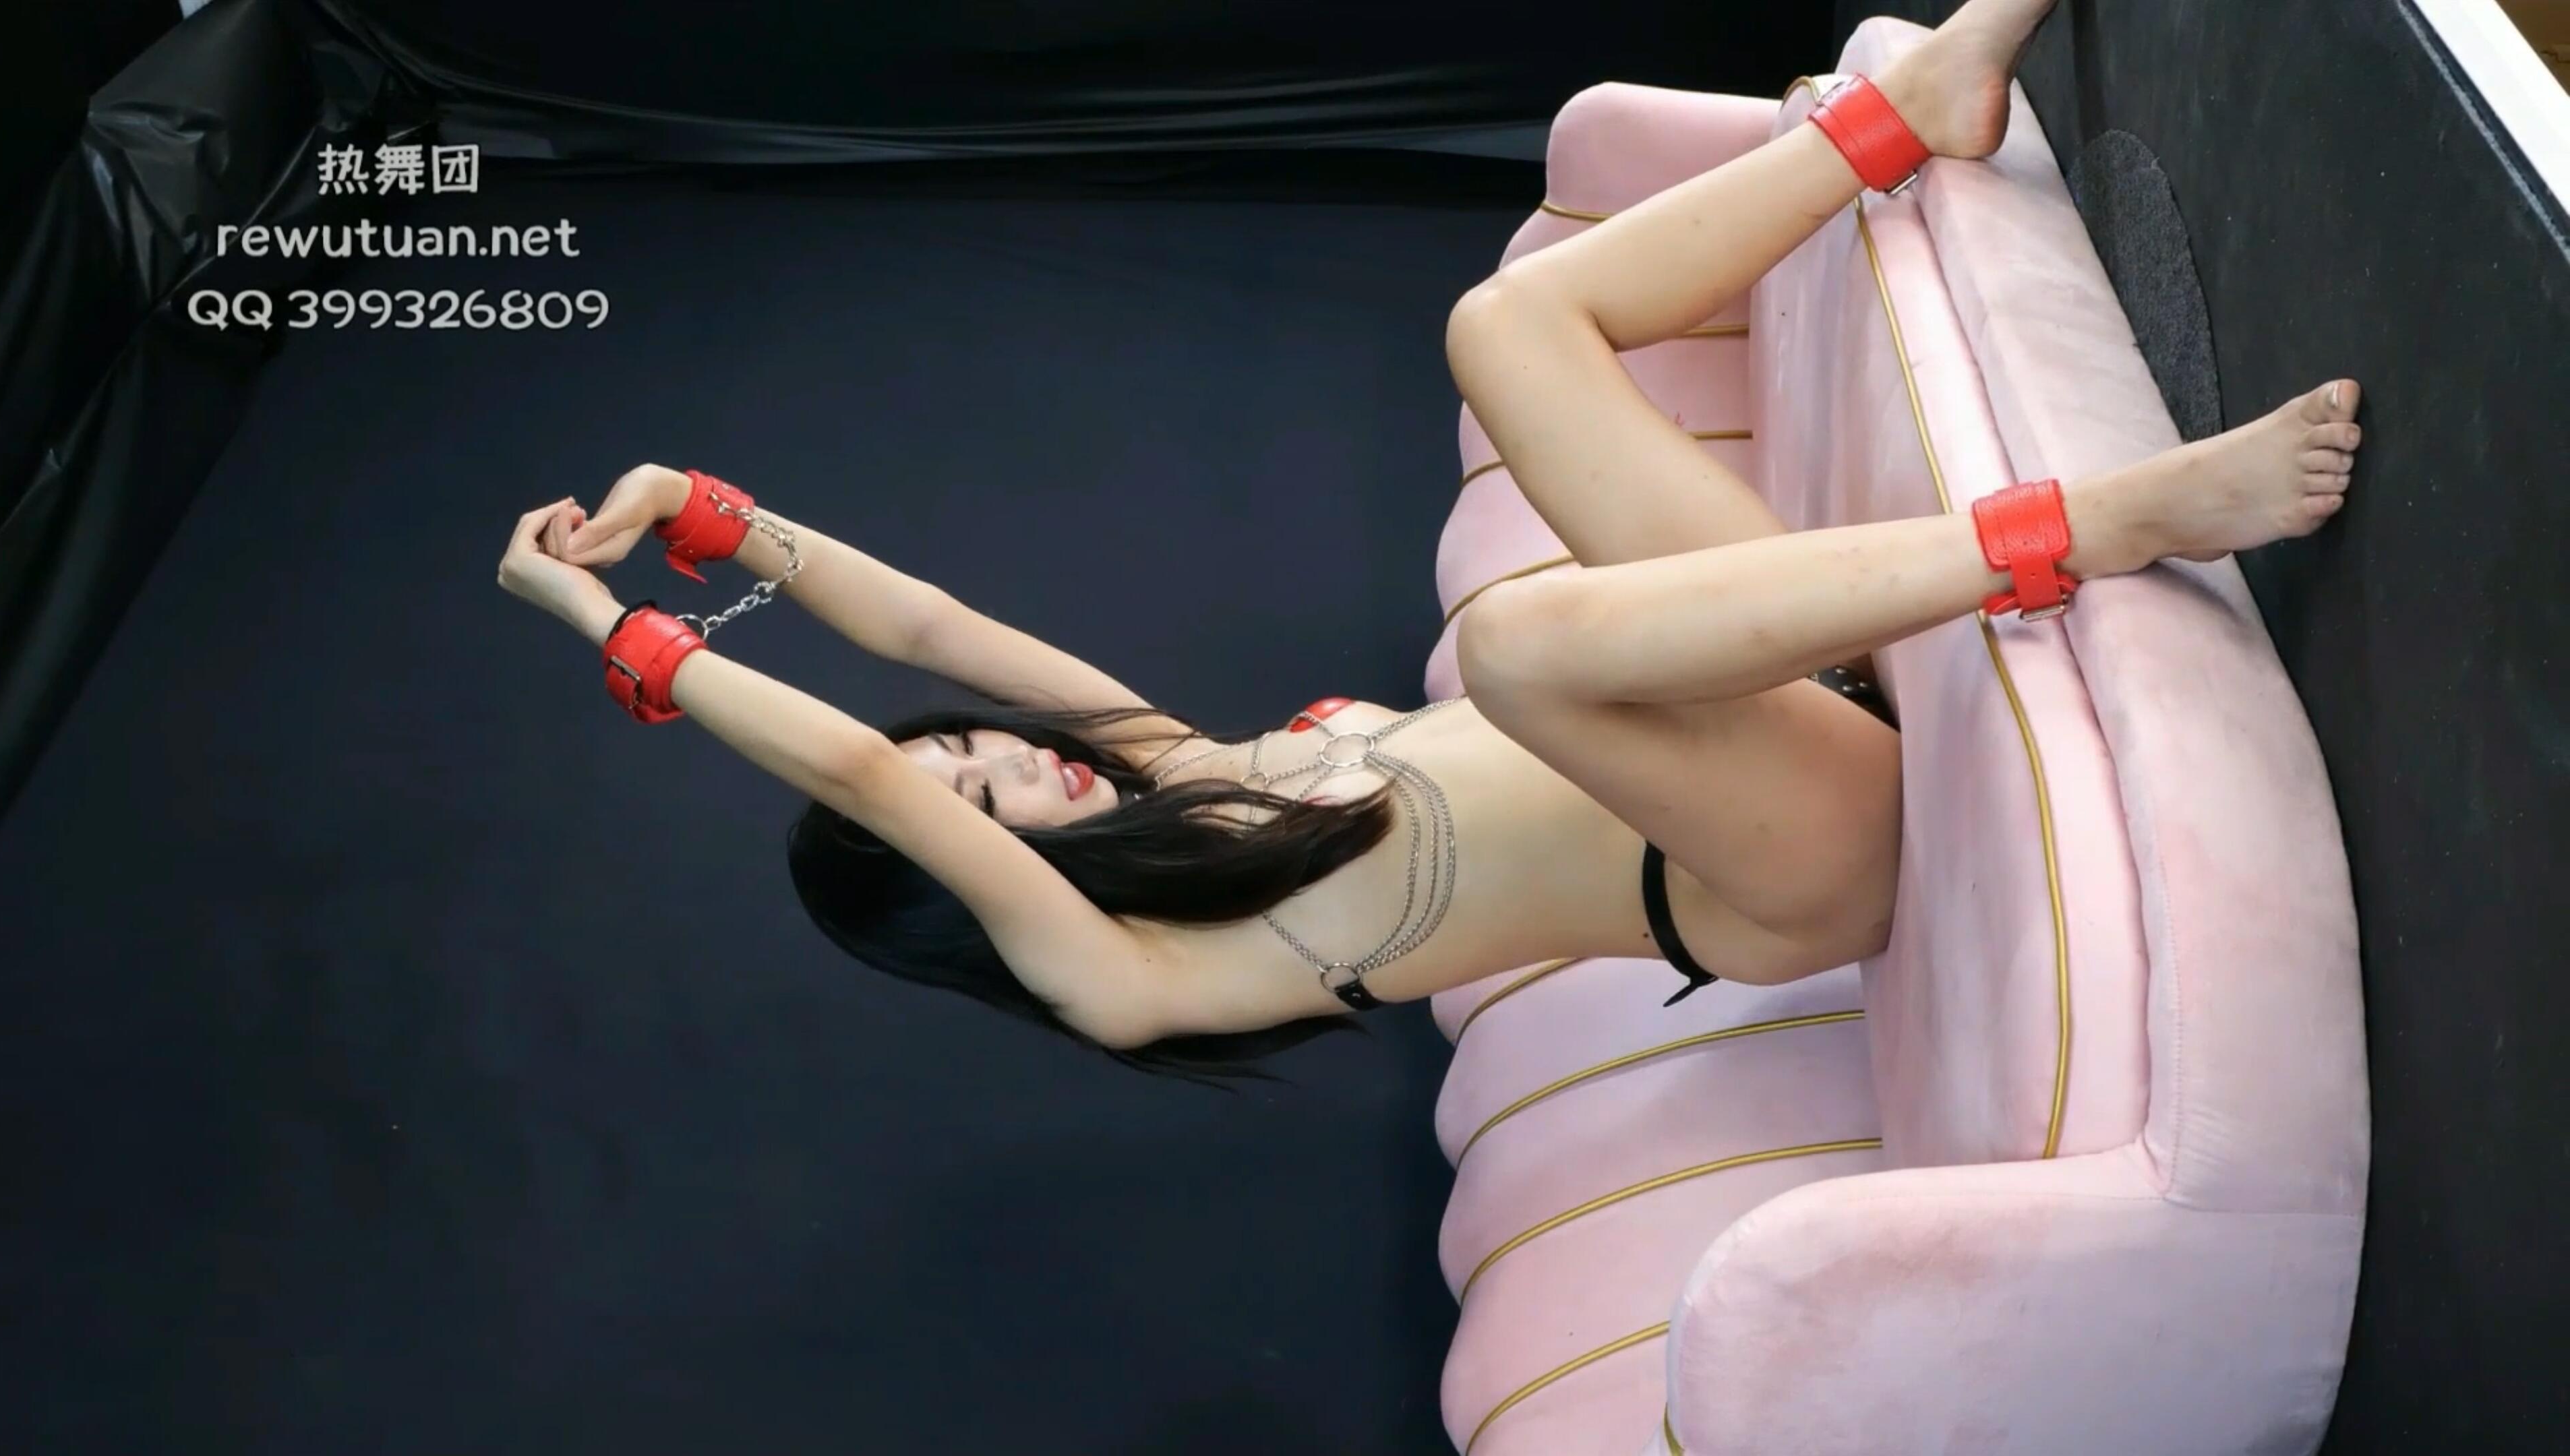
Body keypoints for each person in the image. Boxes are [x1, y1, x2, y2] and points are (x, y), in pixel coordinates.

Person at [496, 0, 2362, 1079]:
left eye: (982, 757)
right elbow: (862, 770)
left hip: (1797, 697)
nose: (1014, 767)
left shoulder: (1179, 770)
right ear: (972, 896)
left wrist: (708, 515)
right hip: (1793, 861)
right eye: (983, 808)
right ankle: (2107, 522)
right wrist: (609, 633)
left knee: (1505, 326)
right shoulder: (1134, 979)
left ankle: (1911, 105)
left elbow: (929, 629)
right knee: (1525, 651)